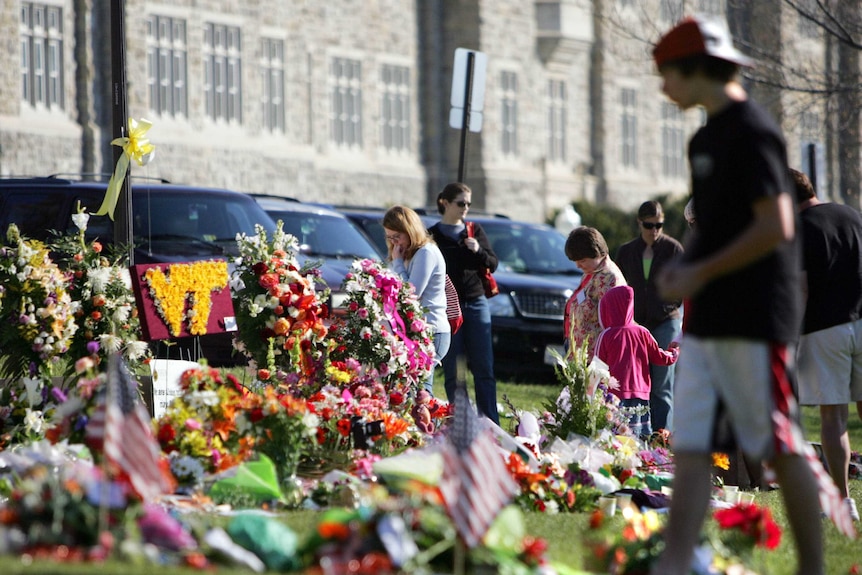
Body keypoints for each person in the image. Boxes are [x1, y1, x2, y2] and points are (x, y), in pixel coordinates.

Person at [650, 15, 847, 575]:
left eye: (667, 75)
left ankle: (813, 566)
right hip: (709, 318)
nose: (662, 88)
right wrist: (687, 269)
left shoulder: (753, 130)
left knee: (778, 445)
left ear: (695, 70)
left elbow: (776, 225)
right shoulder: (704, 138)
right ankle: (675, 563)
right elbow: (718, 228)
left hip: (756, 317)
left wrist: (699, 269)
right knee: (690, 445)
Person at [792, 167, 862, 521]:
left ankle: (842, 500)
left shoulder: (801, 229)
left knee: (833, 417)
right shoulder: (852, 214)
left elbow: (800, 288)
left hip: (824, 329)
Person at [428, 183, 500, 424]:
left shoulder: (473, 230)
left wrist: (478, 250)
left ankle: (490, 422)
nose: (465, 208)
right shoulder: (433, 235)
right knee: (453, 368)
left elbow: (493, 262)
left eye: (468, 203)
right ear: (445, 203)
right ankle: (461, 421)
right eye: (461, 203)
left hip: (476, 302)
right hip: (447, 307)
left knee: (484, 368)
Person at [615, 201, 684, 432]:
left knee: (662, 384)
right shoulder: (626, 252)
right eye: (649, 225)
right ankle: (637, 432)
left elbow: (684, 284)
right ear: (639, 223)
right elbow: (619, 287)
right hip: (635, 324)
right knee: (635, 381)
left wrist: (667, 307)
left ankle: (662, 437)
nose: (654, 230)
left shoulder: (673, 249)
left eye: (659, 225)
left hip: (665, 321)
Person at [594, 285, 680, 438]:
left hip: (615, 396)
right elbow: (660, 357)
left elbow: (597, 367)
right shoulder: (642, 332)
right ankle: (643, 460)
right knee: (639, 437)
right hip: (641, 395)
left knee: (616, 436)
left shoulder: (607, 335)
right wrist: (674, 353)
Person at [383, 205, 451, 396]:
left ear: (410, 231)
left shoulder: (425, 252)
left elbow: (411, 294)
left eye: (397, 236)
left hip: (432, 331)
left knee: (420, 391)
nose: (394, 242)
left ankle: (433, 426)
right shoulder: (403, 252)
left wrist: (397, 262)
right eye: (389, 237)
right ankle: (427, 425)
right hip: (412, 330)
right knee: (412, 390)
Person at [563, 226, 626, 361]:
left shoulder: (610, 278)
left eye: (582, 260)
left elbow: (614, 325)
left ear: (597, 253)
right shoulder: (591, 273)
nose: (578, 266)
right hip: (581, 353)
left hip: (596, 360)